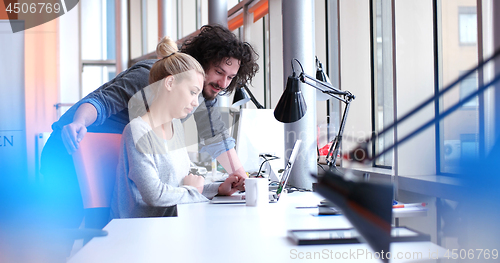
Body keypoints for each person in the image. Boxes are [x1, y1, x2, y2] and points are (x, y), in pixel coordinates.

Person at [40, 25, 259, 228]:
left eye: (230, 77)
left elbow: (216, 138)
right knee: (66, 231)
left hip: (112, 160)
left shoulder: (199, 96)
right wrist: (79, 123)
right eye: (219, 72)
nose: (223, 84)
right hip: (70, 147)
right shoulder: (149, 77)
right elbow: (102, 102)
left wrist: (247, 184)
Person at [111, 38, 241, 218]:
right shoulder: (137, 131)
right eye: (193, 92)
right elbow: (155, 195)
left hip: (170, 223)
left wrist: (218, 189)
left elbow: (181, 187)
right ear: (170, 83)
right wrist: (194, 190)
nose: (196, 102)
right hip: (140, 231)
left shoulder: (176, 127)